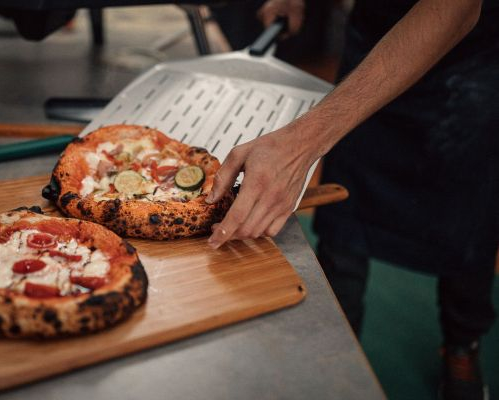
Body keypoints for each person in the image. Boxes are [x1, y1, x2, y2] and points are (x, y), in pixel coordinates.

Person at [204, 0, 498, 399]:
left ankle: (464, 341)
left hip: (470, 65)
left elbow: (455, 10)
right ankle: (332, 352)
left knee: (467, 227)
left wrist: (302, 143)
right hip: (372, 46)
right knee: (343, 226)